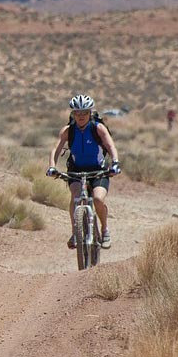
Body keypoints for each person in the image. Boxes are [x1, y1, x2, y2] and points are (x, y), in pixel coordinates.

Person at [47, 94, 121, 250]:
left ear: (90, 113)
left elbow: (111, 146)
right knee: (75, 196)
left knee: (98, 199)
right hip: (76, 170)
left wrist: (115, 163)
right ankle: (75, 233)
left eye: (84, 113)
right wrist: (52, 166)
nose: (81, 116)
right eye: (77, 113)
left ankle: (105, 230)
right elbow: (56, 149)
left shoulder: (98, 128)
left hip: (99, 170)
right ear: (73, 114)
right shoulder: (68, 130)